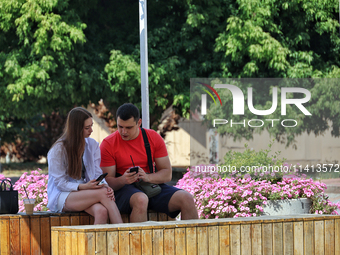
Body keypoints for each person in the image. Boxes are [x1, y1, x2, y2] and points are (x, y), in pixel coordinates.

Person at [100, 103, 198, 222]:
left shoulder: (152, 137)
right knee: (141, 199)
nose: (123, 131)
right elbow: (107, 182)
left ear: (139, 123)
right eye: (120, 126)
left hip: (150, 186)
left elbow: (167, 174)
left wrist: (147, 177)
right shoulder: (108, 144)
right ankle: (137, 241)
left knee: (186, 198)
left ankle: (191, 240)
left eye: (129, 127)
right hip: (123, 190)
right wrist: (123, 179)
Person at [47, 107, 123, 224]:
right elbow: (60, 184)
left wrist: (106, 187)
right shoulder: (58, 149)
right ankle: (123, 232)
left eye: (91, 126)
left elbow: (98, 174)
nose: (91, 130)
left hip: (85, 192)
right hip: (62, 195)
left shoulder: (92, 145)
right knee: (103, 194)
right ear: (76, 129)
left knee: (102, 211)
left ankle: (96, 242)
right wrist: (84, 187)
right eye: (87, 128)